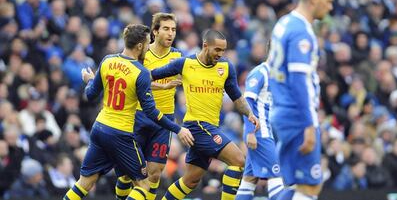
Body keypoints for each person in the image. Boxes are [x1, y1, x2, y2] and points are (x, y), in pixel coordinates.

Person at [63, 24, 194, 200]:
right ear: (140, 46)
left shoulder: (108, 60)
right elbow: (151, 112)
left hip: (99, 128)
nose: (149, 47)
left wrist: (90, 80)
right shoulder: (140, 72)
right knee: (144, 183)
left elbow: (91, 95)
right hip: (120, 134)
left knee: (84, 182)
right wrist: (177, 129)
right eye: (148, 43)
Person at [152, 29, 259, 200]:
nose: (220, 54)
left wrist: (250, 114)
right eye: (217, 49)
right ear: (205, 45)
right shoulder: (185, 63)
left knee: (190, 181)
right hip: (197, 125)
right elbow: (149, 76)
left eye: (223, 50)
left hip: (211, 127)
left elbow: (236, 96)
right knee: (238, 160)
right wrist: (160, 87)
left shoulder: (226, 67)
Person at [268, 0, 334, 200]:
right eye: (328, 1)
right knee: (310, 186)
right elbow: (299, 80)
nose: (330, 7)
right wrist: (309, 123)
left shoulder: (284, 23)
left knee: (295, 184)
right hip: (296, 115)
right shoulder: (301, 32)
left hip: (282, 111)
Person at [115, 13, 183, 200]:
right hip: (139, 115)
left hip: (164, 120)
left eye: (174, 30)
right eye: (166, 29)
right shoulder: (142, 54)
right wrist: (161, 85)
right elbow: (134, 81)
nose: (171, 34)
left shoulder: (178, 56)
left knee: (154, 173)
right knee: (128, 173)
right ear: (155, 31)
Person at [235, 41, 284, 200]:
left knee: (250, 179)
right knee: (276, 175)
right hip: (259, 132)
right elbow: (247, 102)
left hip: (266, 132)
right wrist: (250, 132)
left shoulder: (276, 75)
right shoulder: (259, 72)